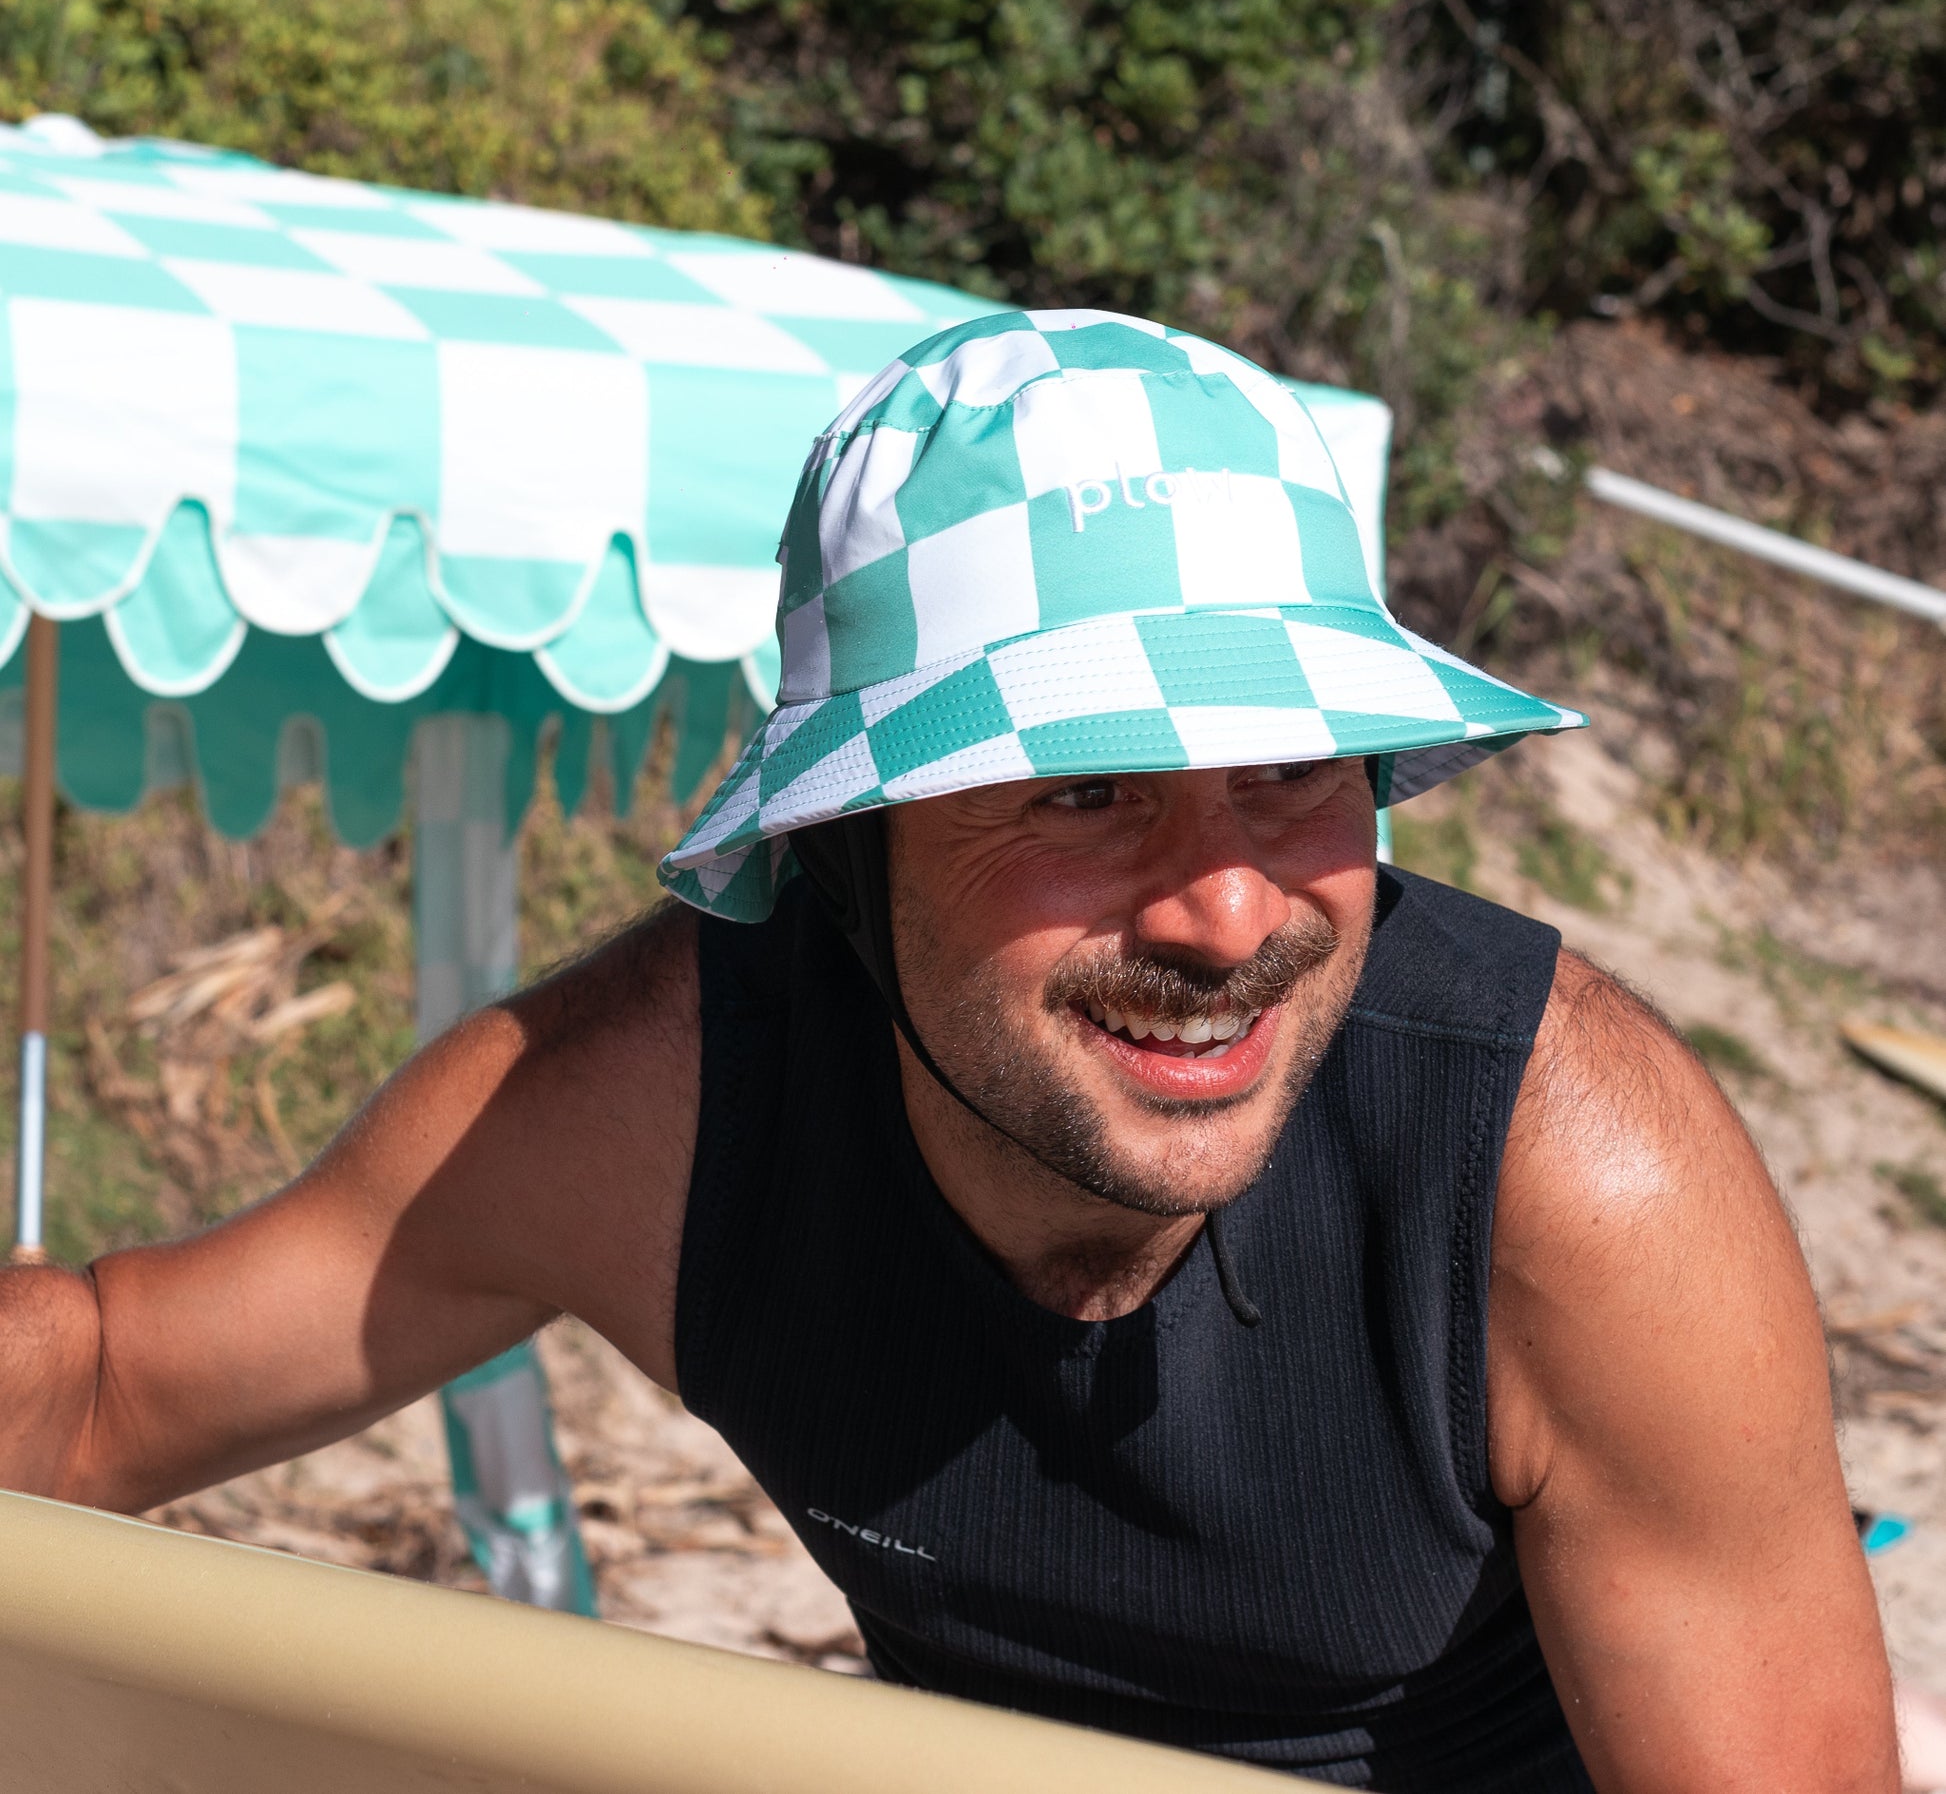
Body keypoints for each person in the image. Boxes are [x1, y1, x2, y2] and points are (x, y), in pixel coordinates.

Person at [0, 311, 1896, 1792]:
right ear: (843, 846)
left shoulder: (1562, 1173)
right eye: (1080, 791)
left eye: (1290, 771)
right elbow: (99, 1388)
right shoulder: (657, 1107)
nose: (1225, 914)